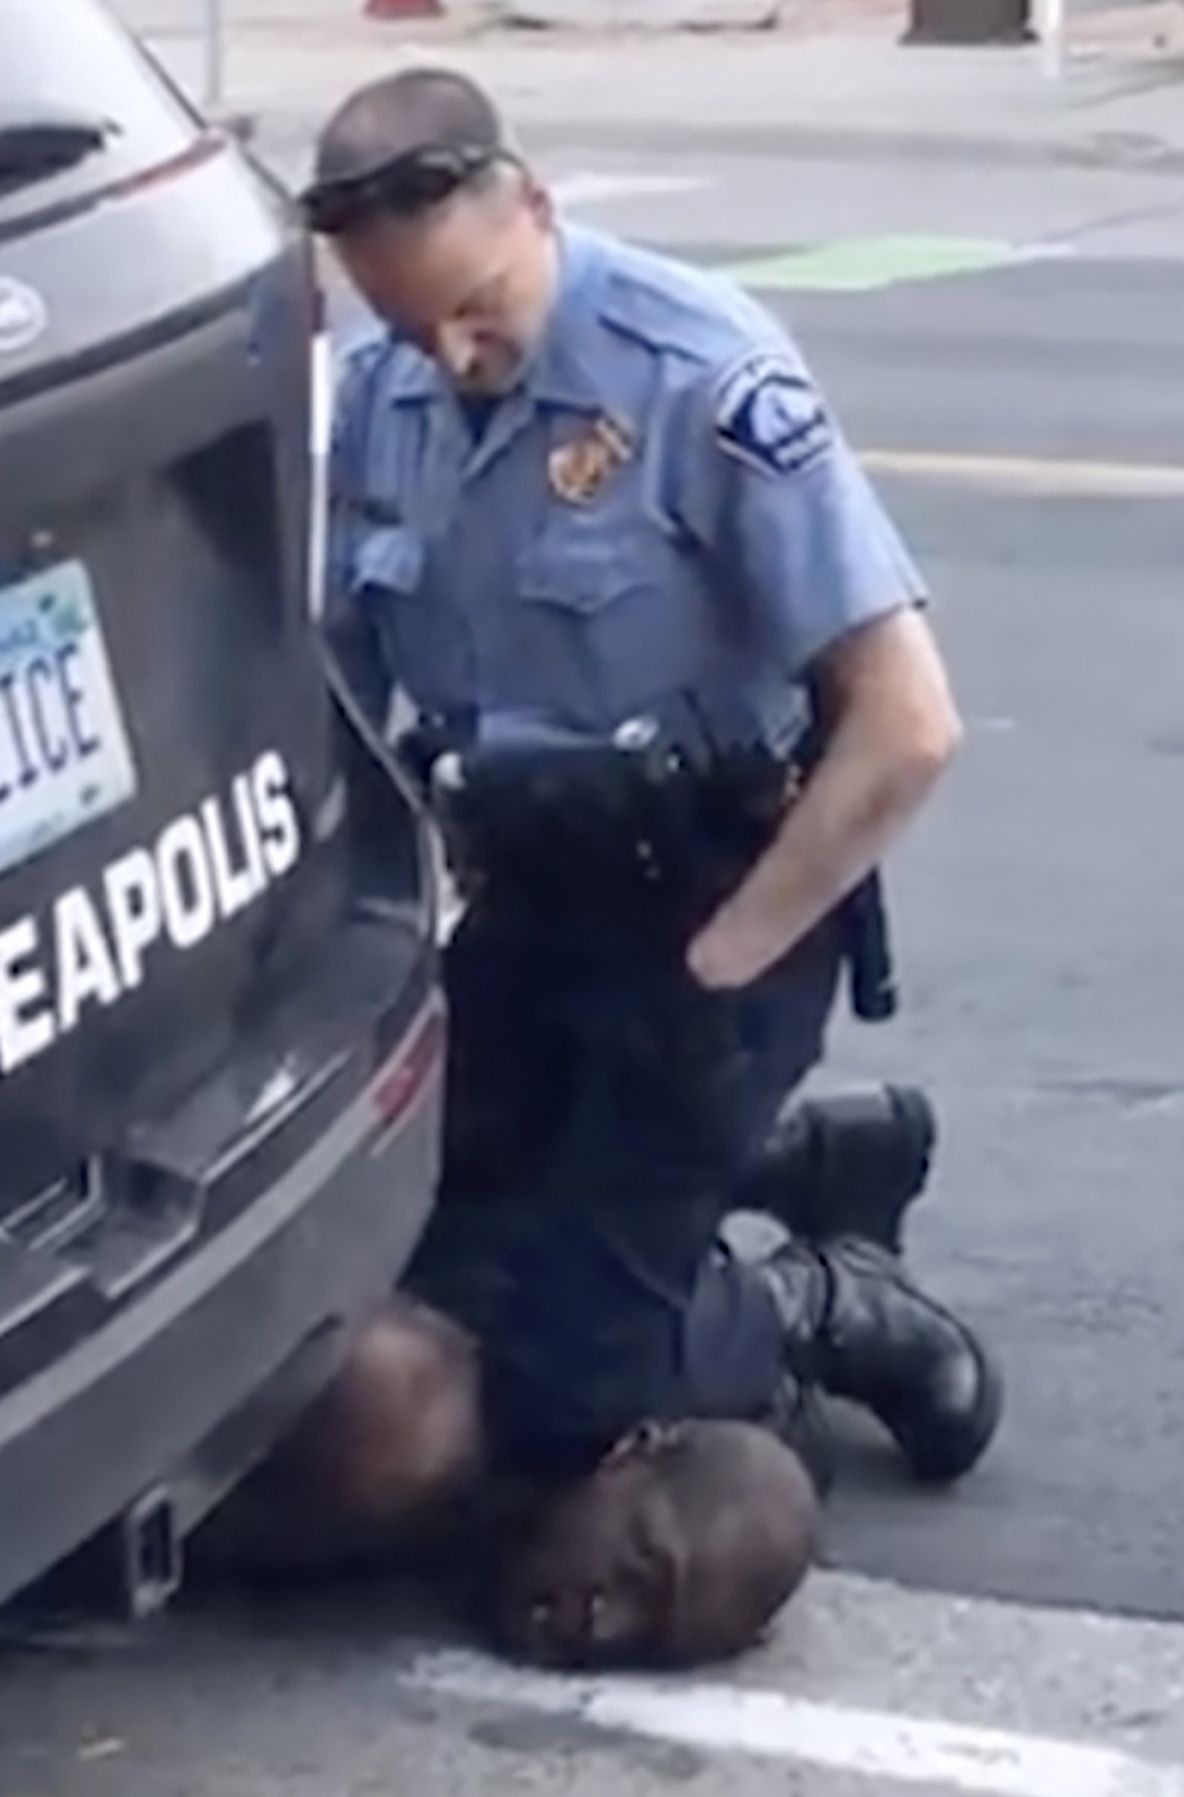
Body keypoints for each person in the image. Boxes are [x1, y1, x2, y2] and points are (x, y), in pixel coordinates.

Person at [252, 64, 1005, 1658]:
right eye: (408, 326)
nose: (449, 357)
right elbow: (346, 689)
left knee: (553, 1378)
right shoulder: (388, 393)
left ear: (534, 209)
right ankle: (767, 1162)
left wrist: (733, 959)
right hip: (525, 897)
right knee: (424, 1261)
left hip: (714, 901)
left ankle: (815, 1298)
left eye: (474, 312)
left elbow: (909, 725)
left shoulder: (698, 372)